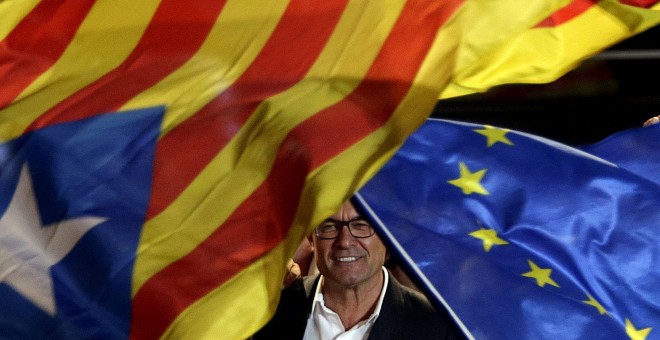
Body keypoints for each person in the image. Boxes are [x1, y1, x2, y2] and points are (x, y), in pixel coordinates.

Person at [252, 200, 464, 339]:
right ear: (311, 238)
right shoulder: (270, 311)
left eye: (361, 225)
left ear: (387, 236)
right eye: (329, 226)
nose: (345, 241)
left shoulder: (437, 327)